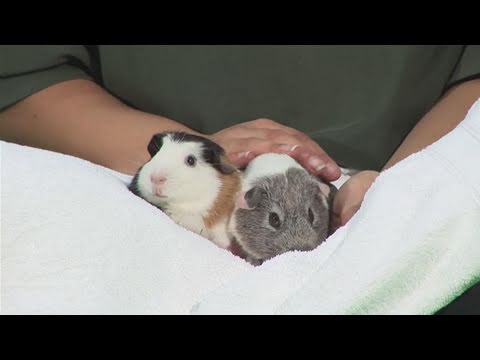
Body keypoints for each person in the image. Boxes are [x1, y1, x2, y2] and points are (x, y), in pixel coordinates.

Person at [1, 45, 479, 228]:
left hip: (427, 206)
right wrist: (197, 157)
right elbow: (24, 76)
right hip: (132, 208)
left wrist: (406, 192)